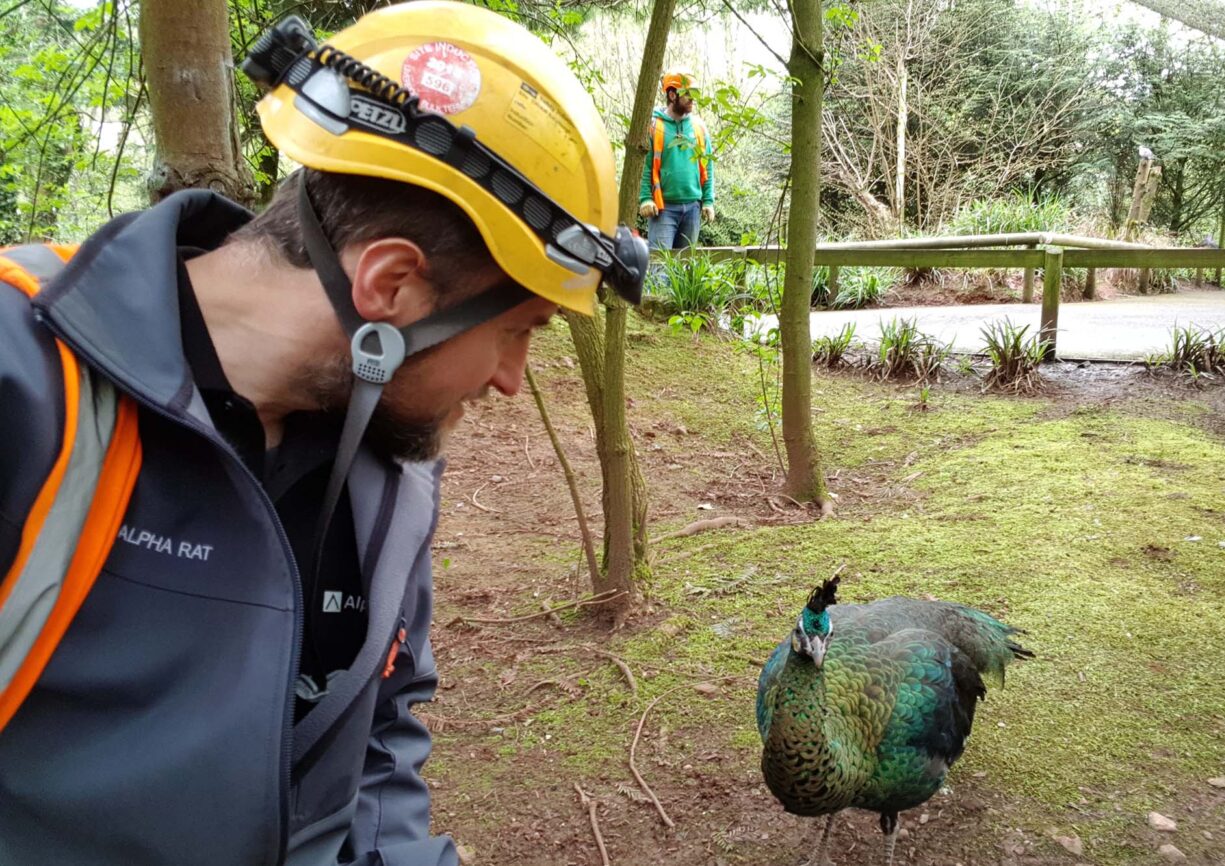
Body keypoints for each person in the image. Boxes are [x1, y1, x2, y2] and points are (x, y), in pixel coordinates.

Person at [0, 4, 645, 866]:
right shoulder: (26, 385)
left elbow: (376, 738)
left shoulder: (390, 463)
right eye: (517, 330)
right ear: (391, 287)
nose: (509, 380)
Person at [638, 70, 716, 252]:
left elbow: (708, 166)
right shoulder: (654, 126)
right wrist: (646, 198)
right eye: (688, 94)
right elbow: (646, 166)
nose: (693, 99)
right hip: (663, 209)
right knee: (660, 266)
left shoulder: (699, 127)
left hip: (693, 208)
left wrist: (708, 201)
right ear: (672, 95)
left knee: (686, 266)